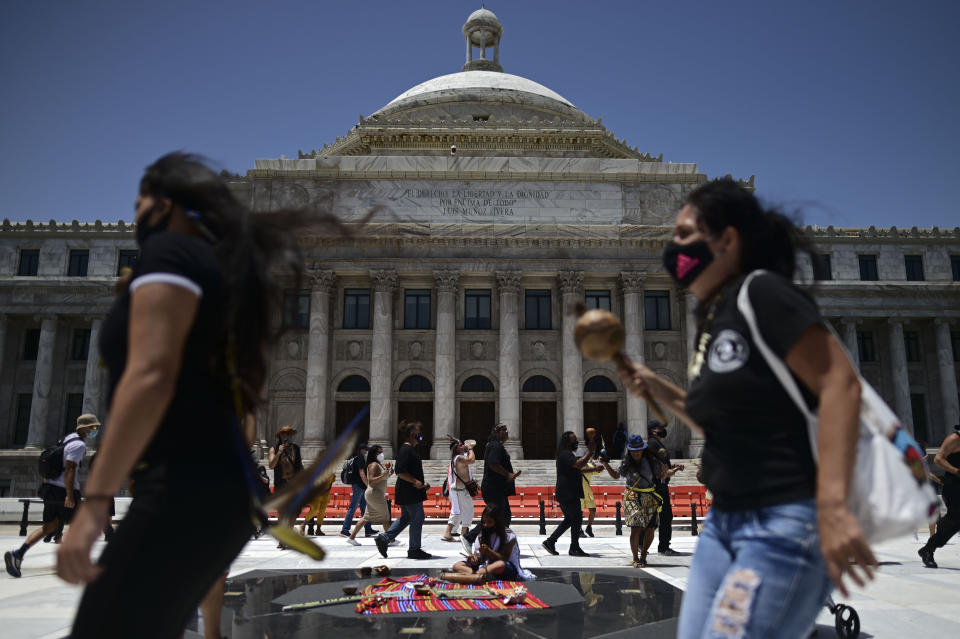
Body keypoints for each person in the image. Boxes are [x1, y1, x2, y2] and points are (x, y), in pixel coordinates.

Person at [56, 152, 342, 638]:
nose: (134, 214)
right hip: (221, 497)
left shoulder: (170, 255)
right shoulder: (228, 283)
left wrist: (97, 496)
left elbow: (150, 374)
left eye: (140, 201)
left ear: (167, 204)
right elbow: (246, 415)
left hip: (181, 490)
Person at [616, 178, 874, 638]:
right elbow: (719, 424)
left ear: (728, 240)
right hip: (724, 522)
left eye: (683, 235)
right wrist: (658, 386)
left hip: (782, 520)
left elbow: (841, 385)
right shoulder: (715, 321)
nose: (672, 247)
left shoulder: (762, 292)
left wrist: (834, 504)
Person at [5, 414, 98, 578]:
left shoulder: (66, 439)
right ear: (84, 428)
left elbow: (49, 462)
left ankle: (17, 555)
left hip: (50, 488)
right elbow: (70, 469)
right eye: (94, 428)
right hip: (64, 491)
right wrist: (69, 495)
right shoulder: (78, 445)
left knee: (49, 527)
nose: (95, 431)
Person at [374, 420, 433, 560]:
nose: (421, 435)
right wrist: (415, 481)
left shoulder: (410, 449)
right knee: (417, 518)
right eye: (419, 432)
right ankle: (414, 549)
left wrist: (422, 484)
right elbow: (400, 471)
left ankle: (384, 538)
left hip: (411, 490)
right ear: (413, 434)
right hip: (409, 490)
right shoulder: (406, 450)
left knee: (407, 517)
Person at [603, 434, 661, 567]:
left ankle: (644, 555)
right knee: (635, 527)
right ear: (630, 450)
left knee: (650, 528)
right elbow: (616, 475)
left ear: (643, 449)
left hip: (649, 495)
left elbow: (662, 474)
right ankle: (635, 557)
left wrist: (671, 470)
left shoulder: (652, 461)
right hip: (632, 496)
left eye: (639, 450)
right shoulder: (625, 463)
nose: (636, 453)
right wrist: (606, 464)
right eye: (634, 450)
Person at [443, 504, 535, 584]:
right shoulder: (481, 535)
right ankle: (476, 575)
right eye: (483, 522)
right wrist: (473, 559)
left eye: (489, 522)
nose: (486, 525)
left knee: (500, 565)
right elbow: (477, 558)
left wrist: (489, 552)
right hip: (484, 567)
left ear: (497, 522)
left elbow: (505, 559)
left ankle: (475, 575)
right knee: (457, 565)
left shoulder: (509, 536)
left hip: (505, 568)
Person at [464, 423, 521, 553]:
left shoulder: (496, 445)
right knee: (493, 516)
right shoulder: (495, 445)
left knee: (504, 515)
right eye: (503, 430)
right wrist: (508, 474)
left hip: (497, 488)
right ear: (496, 432)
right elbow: (493, 464)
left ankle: (498, 541)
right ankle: (470, 537)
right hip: (494, 488)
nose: (506, 432)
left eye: (506, 430)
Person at [542, 431, 594, 557]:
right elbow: (578, 464)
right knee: (576, 518)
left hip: (568, 492)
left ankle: (551, 541)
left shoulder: (566, 454)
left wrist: (594, 469)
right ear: (567, 442)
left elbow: (578, 468)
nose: (576, 442)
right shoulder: (565, 454)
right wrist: (590, 452)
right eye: (573, 440)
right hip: (568, 492)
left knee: (571, 519)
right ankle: (573, 547)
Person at [918, 425, 960, 568]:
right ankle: (928, 549)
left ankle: (928, 547)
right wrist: (956, 471)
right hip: (955, 485)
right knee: (954, 522)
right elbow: (938, 459)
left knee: (953, 522)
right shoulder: (954, 439)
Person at [646, 420, 684, 556]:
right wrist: (670, 470)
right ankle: (663, 547)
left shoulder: (655, 443)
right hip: (658, 486)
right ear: (653, 430)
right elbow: (658, 466)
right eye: (660, 428)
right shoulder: (653, 444)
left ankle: (644, 544)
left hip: (659, 484)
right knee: (664, 516)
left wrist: (673, 467)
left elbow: (662, 464)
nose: (663, 430)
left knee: (656, 517)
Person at [347, 444, 393, 544]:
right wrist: (383, 475)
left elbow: (381, 478)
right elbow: (371, 480)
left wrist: (388, 474)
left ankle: (351, 538)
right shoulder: (373, 465)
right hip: (375, 493)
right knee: (385, 517)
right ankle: (391, 539)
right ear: (374, 453)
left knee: (366, 517)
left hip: (375, 493)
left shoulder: (378, 464)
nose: (381, 454)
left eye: (382, 452)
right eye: (379, 452)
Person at [340, 443, 377, 539]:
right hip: (359, 486)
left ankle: (368, 529)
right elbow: (362, 474)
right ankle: (344, 530)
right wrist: (368, 485)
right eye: (366, 450)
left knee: (365, 508)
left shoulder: (358, 458)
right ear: (362, 450)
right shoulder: (360, 459)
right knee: (353, 507)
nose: (367, 452)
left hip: (360, 486)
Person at [442, 439, 477, 542]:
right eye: (461, 445)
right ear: (457, 448)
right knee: (466, 510)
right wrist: (470, 448)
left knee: (460, 511)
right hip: (460, 489)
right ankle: (461, 533)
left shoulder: (458, 458)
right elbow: (472, 460)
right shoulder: (459, 458)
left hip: (460, 489)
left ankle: (453, 532)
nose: (463, 446)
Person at [269, 425, 303, 493]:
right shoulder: (274, 449)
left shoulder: (296, 448)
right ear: (280, 436)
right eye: (283, 434)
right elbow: (271, 466)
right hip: (281, 484)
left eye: (288, 434)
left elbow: (299, 465)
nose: (286, 436)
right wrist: (279, 453)